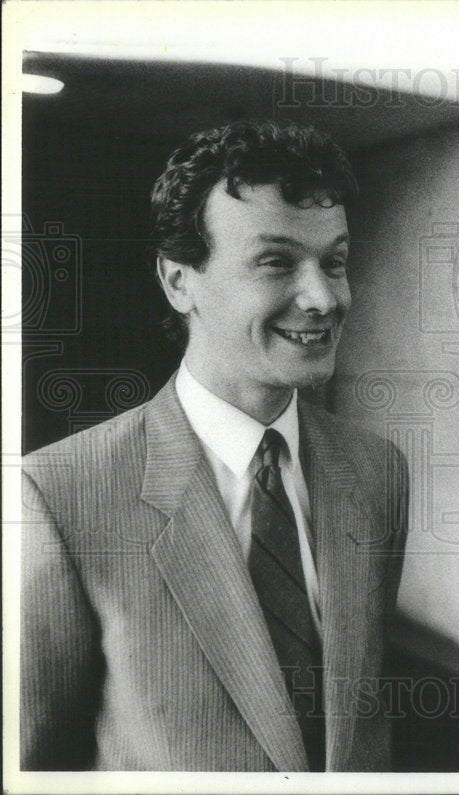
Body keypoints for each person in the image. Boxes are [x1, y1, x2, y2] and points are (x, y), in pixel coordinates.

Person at [21, 120, 408, 772]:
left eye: (334, 261)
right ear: (178, 281)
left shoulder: (377, 471)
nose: (323, 297)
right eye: (277, 261)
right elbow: (34, 765)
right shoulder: (60, 493)